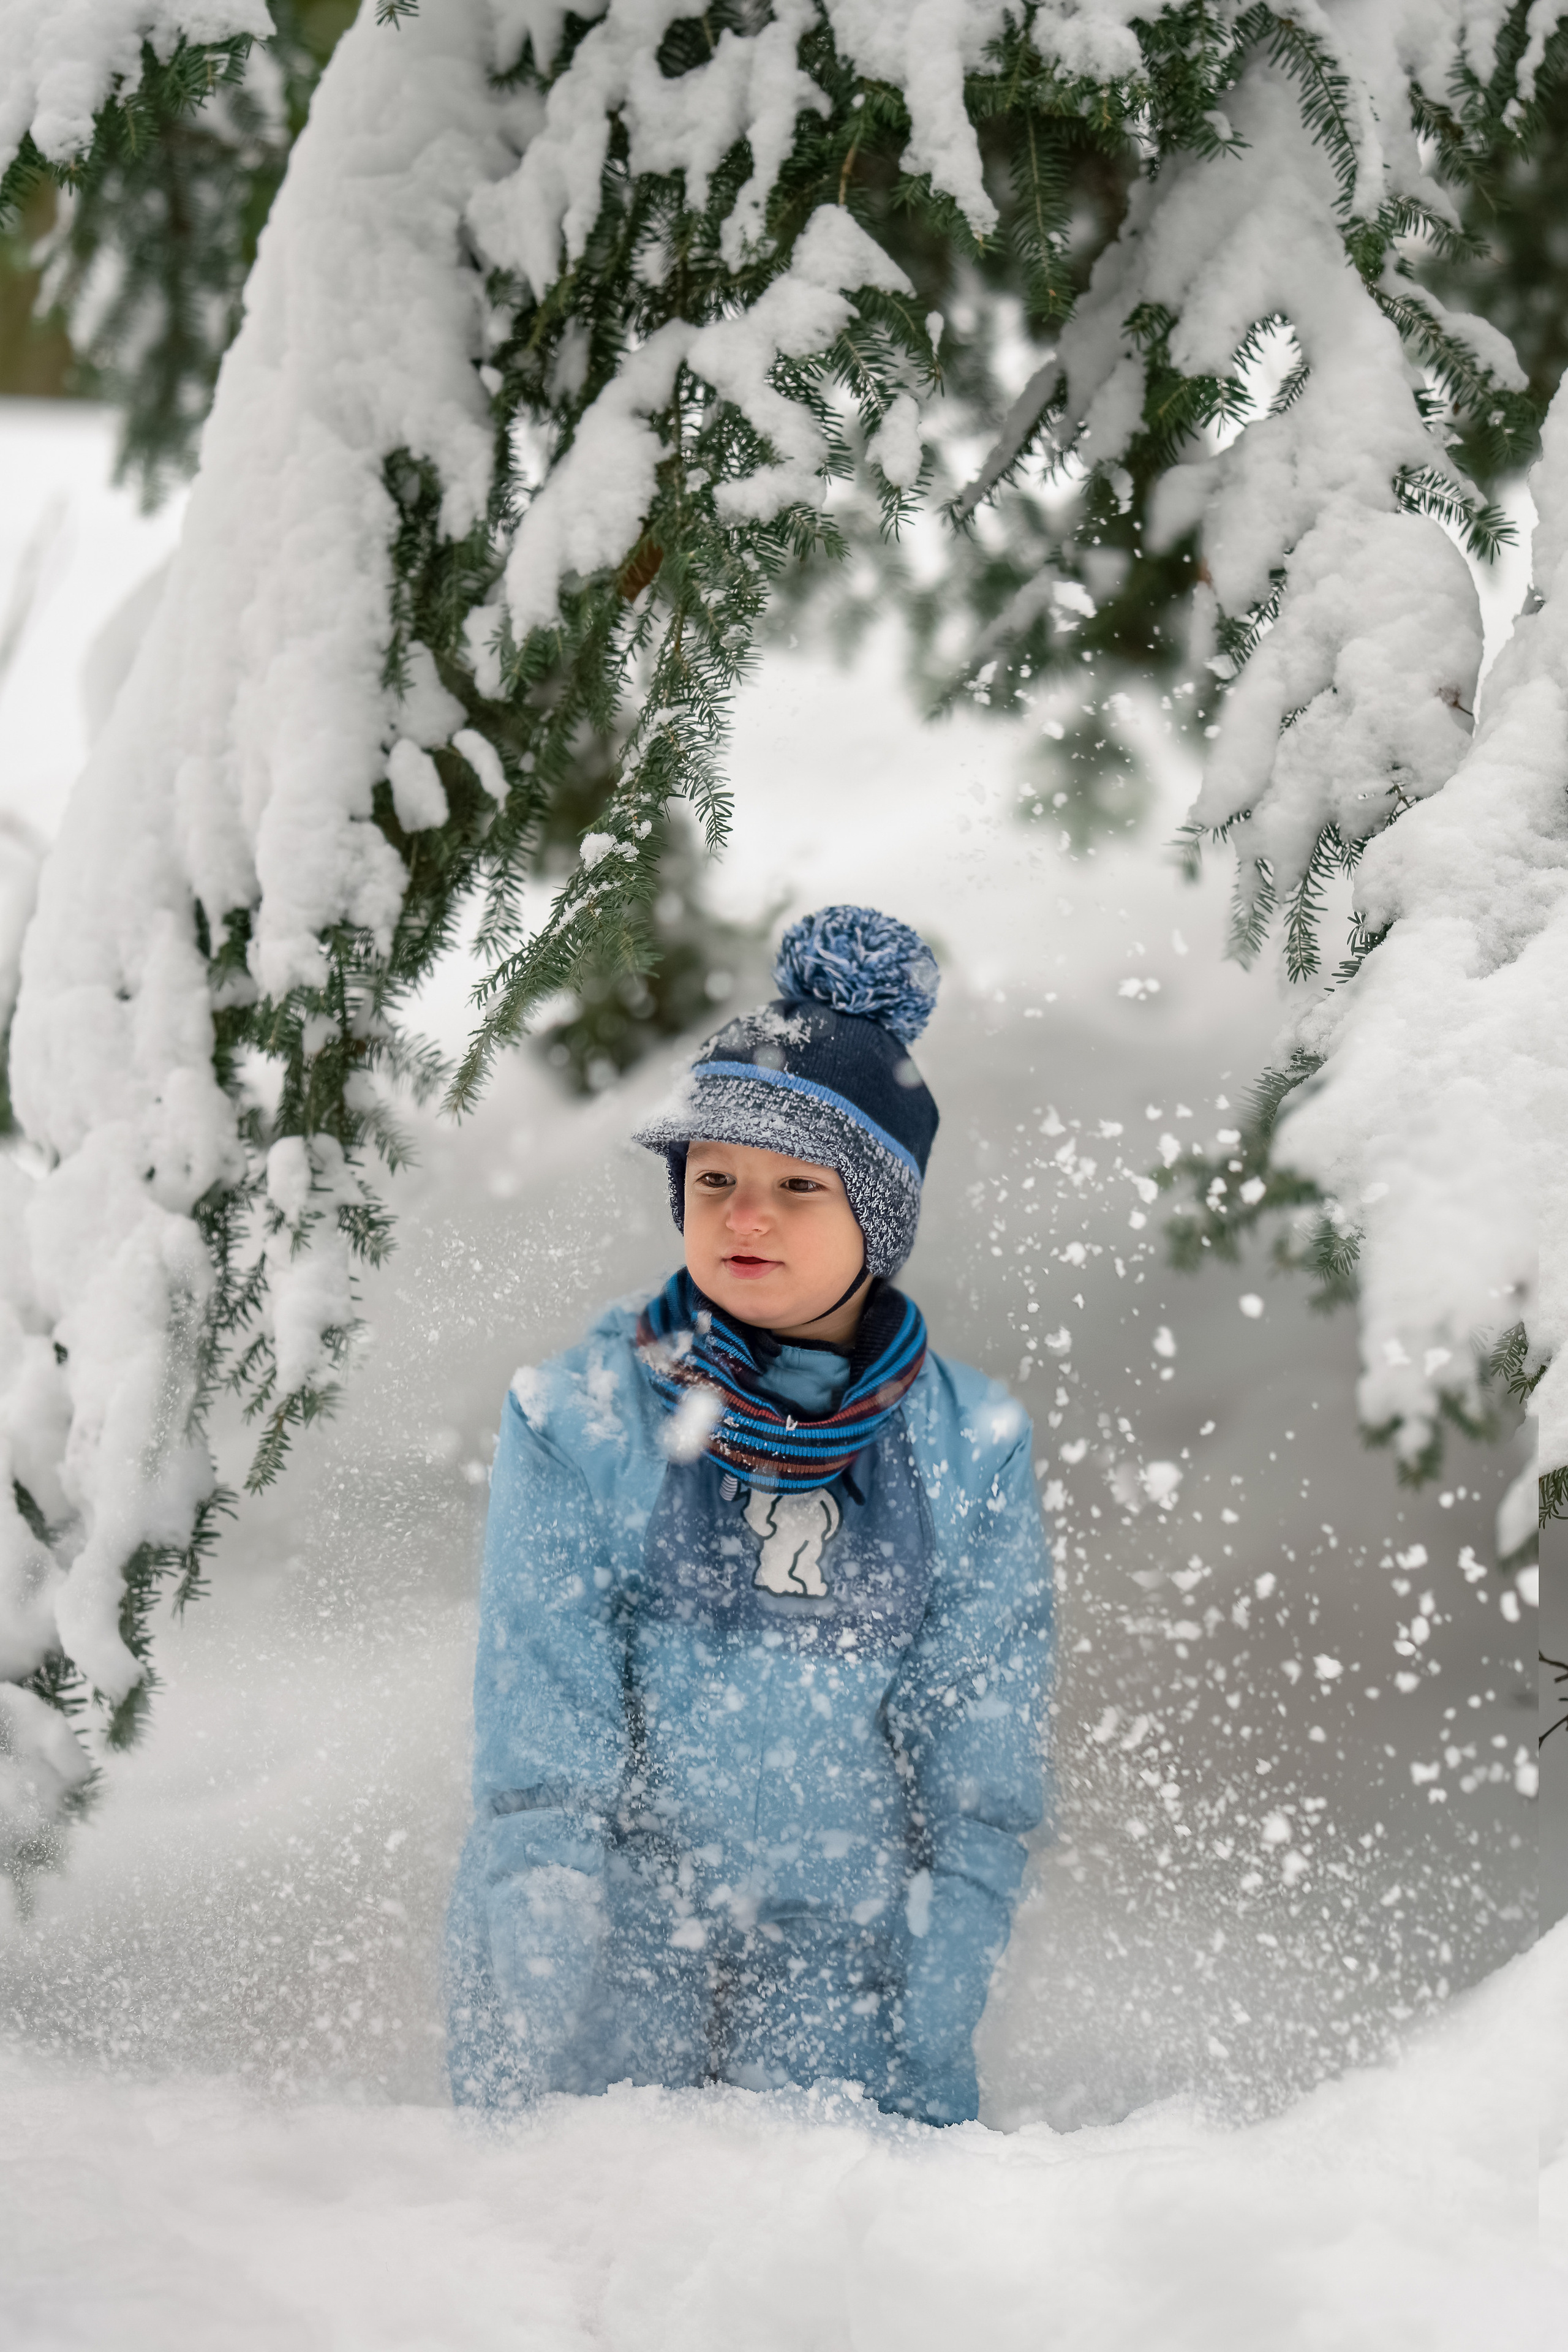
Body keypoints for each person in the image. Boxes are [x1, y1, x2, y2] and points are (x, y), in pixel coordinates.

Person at [444, 905, 1054, 2125]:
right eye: (712, 1178)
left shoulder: (965, 1448)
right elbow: (543, 1722)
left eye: (795, 1187)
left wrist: (940, 1967)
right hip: (625, 1900)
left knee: (831, 2205)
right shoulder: (584, 1419)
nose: (743, 1215)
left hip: (843, 1916)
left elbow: (975, 1734)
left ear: (876, 1224)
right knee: (594, 2195)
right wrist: (540, 1952)